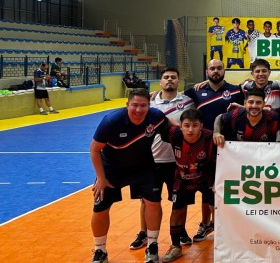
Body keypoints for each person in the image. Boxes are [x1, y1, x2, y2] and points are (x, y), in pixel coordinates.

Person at [89, 89, 171, 263]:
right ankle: (100, 250)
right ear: (127, 105)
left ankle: (152, 246)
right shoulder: (111, 121)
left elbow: (172, 127)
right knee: (100, 207)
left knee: (154, 203)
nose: (139, 110)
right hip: (112, 169)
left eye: (143, 105)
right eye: (134, 105)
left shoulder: (155, 116)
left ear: (149, 106)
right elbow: (95, 150)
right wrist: (101, 179)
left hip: (143, 167)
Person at [129, 68, 194, 251]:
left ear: (178, 81)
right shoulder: (149, 102)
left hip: (178, 160)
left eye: (173, 77)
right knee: (147, 201)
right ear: (160, 81)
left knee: (180, 199)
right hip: (151, 160)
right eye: (166, 77)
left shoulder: (188, 101)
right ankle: (143, 232)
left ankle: (180, 230)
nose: (170, 80)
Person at [182, 59, 244, 238]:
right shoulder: (196, 91)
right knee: (206, 187)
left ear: (224, 70)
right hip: (204, 147)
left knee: (231, 187)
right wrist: (156, 94)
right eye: (212, 68)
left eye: (219, 68)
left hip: (229, 148)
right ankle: (206, 223)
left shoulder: (235, 91)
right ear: (206, 71)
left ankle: (230, 224)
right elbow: (173, 98)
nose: (215, 71)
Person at [158, 108, 216, 263]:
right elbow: (156, 121)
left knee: (216, 209)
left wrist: (216, 181)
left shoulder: (210, 138)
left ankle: (222, 246)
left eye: (195, 125)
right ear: (180, 126)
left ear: (201, 126)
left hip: (207, 179)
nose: (191, 129)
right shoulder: (173, 134)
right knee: (177, 211)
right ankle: (175, 247)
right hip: (182, 179)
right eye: (187, 125)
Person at [213, 88, 280, 146]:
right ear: (245, 103)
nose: (254, 106)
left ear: (264, 104)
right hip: (238, 158)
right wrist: (216, 132)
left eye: (258, 102)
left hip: (264, 159)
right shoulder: (236, 114)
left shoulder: (274, 118)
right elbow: (219, 118)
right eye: (251, 102)